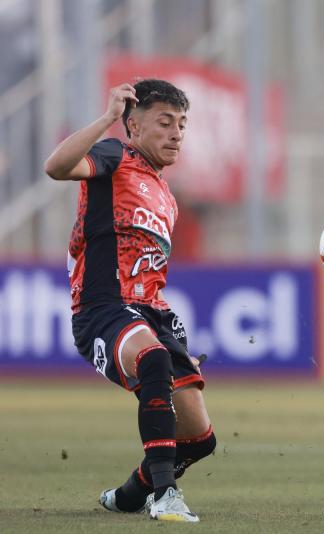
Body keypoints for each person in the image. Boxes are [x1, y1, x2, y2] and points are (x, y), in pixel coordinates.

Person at [44, 79, 215, 522]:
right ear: (134, 127)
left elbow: (152, 277)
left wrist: (178, 336)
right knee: (153, 359)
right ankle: (165, 495)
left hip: (151, 313)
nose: (177, 132)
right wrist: (105, 120)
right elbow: (56, 167)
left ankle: (129, 495)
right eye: (165, 122)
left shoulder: (168, 198)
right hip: (102, 307)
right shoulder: (114, 156)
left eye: (182, 123)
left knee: (200, 438)